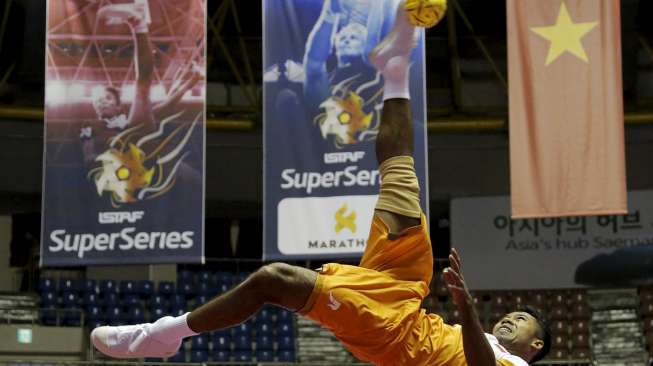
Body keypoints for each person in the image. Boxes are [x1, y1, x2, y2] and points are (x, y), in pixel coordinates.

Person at [91, 1, 551, 365]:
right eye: (517, 313)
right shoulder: (485, 336)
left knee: (273, 278)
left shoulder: (514, 364)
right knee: (399, 169)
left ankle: (164, 336)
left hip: (388, 332)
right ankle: (396, 69)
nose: (514, 318)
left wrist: (467, 307)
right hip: (405, 296)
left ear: (536, 348)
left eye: (526, 322)